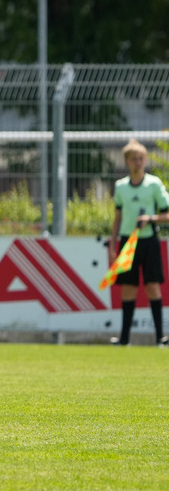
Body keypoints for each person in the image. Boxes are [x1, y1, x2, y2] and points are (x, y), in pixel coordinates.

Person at [109, 139, 169, 347]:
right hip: (128, 242)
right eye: (134, 159)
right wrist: (112, 245)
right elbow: (117, 218)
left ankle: (160, 338)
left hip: (149, 241)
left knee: (152, 287)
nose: (138, 162)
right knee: (128, 288)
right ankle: (124, 339)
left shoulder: (154, 184)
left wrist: (150, 219)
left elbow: (166, 214)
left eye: (141, 158)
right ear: (126, 161)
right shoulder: (121, 187)